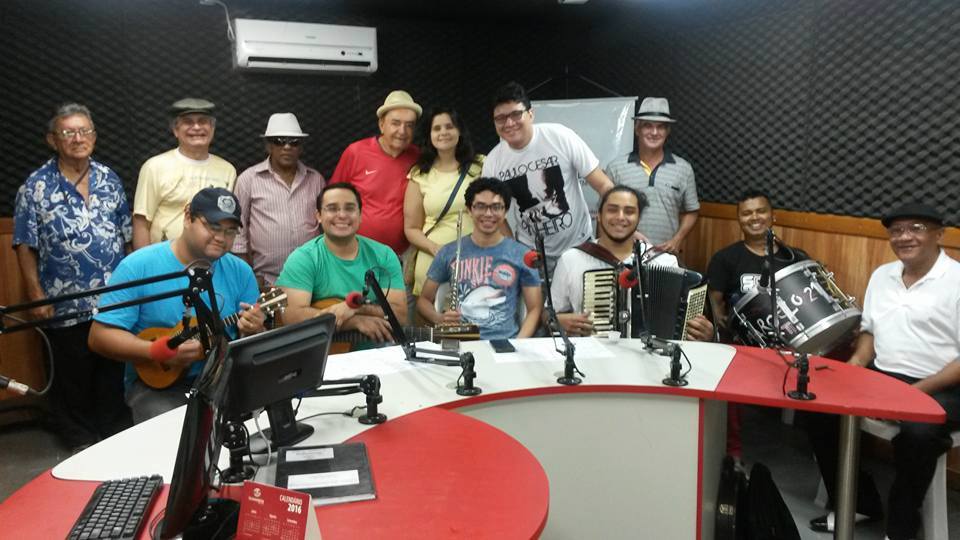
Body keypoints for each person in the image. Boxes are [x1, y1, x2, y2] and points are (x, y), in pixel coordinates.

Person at [804, 203, 960, 539]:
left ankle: (901, 527)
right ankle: (860, 503)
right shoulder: (882, 275)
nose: (904, 237)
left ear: (939, 234)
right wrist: (856, 366)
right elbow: (870, 333)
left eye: (916, 228)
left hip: (943, 384)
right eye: (897, 230)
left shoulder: (957, 280)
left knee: (919, 434)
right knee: (818, 406)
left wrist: (913, 393)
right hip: (885, 374)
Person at [13, 103, 133, 451]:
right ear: (53, 140)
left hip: (111, 298)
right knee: (73, 374)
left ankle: (113, 434)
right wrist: (36, 295)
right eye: (68, 132)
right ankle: (79, 439)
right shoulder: (35, 186)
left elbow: (126, 235)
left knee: (112, 371)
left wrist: (130, 289)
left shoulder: (109, 179)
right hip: (63, 301)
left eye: (85, 131)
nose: (78, 138)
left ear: (94, 136)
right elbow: (24, 246)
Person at [88, 188, 265, 423]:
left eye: (230, 231)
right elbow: (99, 337)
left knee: (261, 412)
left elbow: (251, 345)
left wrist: (254, 330)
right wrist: (156, 351)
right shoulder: (138, 266)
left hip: (220, 377)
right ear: (187, 217)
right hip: (157, 386)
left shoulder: (240, 271)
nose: (221, 238)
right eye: (213, 227)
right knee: (173, 430)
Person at [481, 81, 614, 277]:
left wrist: (611, 235)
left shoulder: (560, 136)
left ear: (530, 114)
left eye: (516, 114)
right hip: (532, 256)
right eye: (500, 118)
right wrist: (514, 249)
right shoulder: (493, 161)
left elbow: (604, 185)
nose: (509, 123)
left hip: (579, 246)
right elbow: (493, 211)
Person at [551, 185, 714, 341]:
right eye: (612, 210)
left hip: (650, 358)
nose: (620, 217)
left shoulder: (664, 261)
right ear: (599, 216)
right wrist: (558, 321)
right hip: (591, 356)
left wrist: (704, 333)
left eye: (629, 211)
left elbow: (682, 329)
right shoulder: (571, 259)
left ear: (638, 219)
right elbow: (549, 315)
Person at [277, 182, 407, 342]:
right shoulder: (303, 258)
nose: (342, 215)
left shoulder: (384, 255)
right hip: (325, 353)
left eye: (350, 208)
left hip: (378, 350)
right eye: (332, 208)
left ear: (360, 215)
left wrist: (355, 308)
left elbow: (400, 316)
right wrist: (353, 322)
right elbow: (291, 316)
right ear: (318, 216)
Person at [417, 178, 543, 340]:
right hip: (460, 342)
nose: (488, 214)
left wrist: (518, 345)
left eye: (496, 207)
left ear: (505, 211)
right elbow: (423, 301)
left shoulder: (522, 255)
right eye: (480, 206)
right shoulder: (449, 252)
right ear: (469, 210)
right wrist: (440, 319)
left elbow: (535, 309)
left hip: (504, 343)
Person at [232, 113, 325, 288]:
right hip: (265, 280)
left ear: (301, 148)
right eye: (279, 141)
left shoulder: (316, 180)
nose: (287, 147)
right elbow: (238, 230)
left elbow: (325, 226)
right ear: (268, 146)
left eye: (294, 142)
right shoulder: (248, 179)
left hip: (311, 277)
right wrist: (247, 276)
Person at [132, 98, 237, 250]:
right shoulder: (154, 167)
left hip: (209, 257)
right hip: (164, 257)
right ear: (175, 130)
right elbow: (141, 222)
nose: (197, 127)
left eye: (203, 121)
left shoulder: (227, 170)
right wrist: (145, 263)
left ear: (212, 128)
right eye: (188, 122)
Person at [706, 190, 809, 342]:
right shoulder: (723, 259)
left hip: (794, 339)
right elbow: (716, 307)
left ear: (773, 216)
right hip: (745, 342)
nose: (754, 217)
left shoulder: (795, 257)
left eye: (761, 211)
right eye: (746, 213)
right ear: (739, 219)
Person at [403, 106, 483, 301]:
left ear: (459, 131)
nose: (443, 132)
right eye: (437, 128)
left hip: (478, 259)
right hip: (434, 260)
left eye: (449, 126)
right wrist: (436, 250)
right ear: (429, 135)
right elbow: (411, 228)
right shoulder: (419, 174)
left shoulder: (481, 165)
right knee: (431, 317)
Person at [329, 90, 421, 257]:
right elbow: (332, 198)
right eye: (395, 123)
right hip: (357, 254)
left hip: (402, 256)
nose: (402, 131)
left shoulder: (419, 158)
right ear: (381, 124)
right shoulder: (356, 152)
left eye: (409, 125)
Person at [605, 97, 699, 255]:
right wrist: (628, 234)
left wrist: (677, 239)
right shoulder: (616, 168)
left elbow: (692, 211)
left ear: (667, 131)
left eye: (660, 127)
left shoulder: (684, 169)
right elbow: (606, 212)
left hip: (666, 257)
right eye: (647, 125)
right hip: (624, 255)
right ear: (637, 129)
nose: (654, 132)